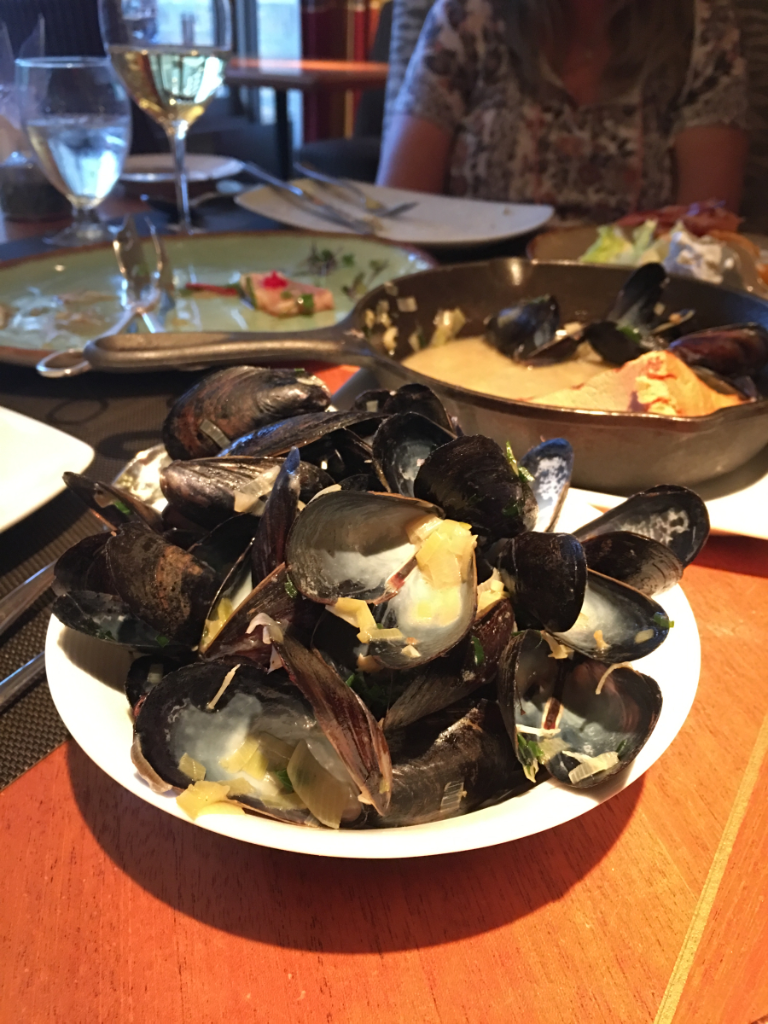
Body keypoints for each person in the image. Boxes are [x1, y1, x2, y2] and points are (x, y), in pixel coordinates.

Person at [376, 0, 749, 223]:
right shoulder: (466, 15)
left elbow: (703, 240)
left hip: (637, 312)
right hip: (465, 299)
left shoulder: (703, 28)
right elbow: (397, 214)